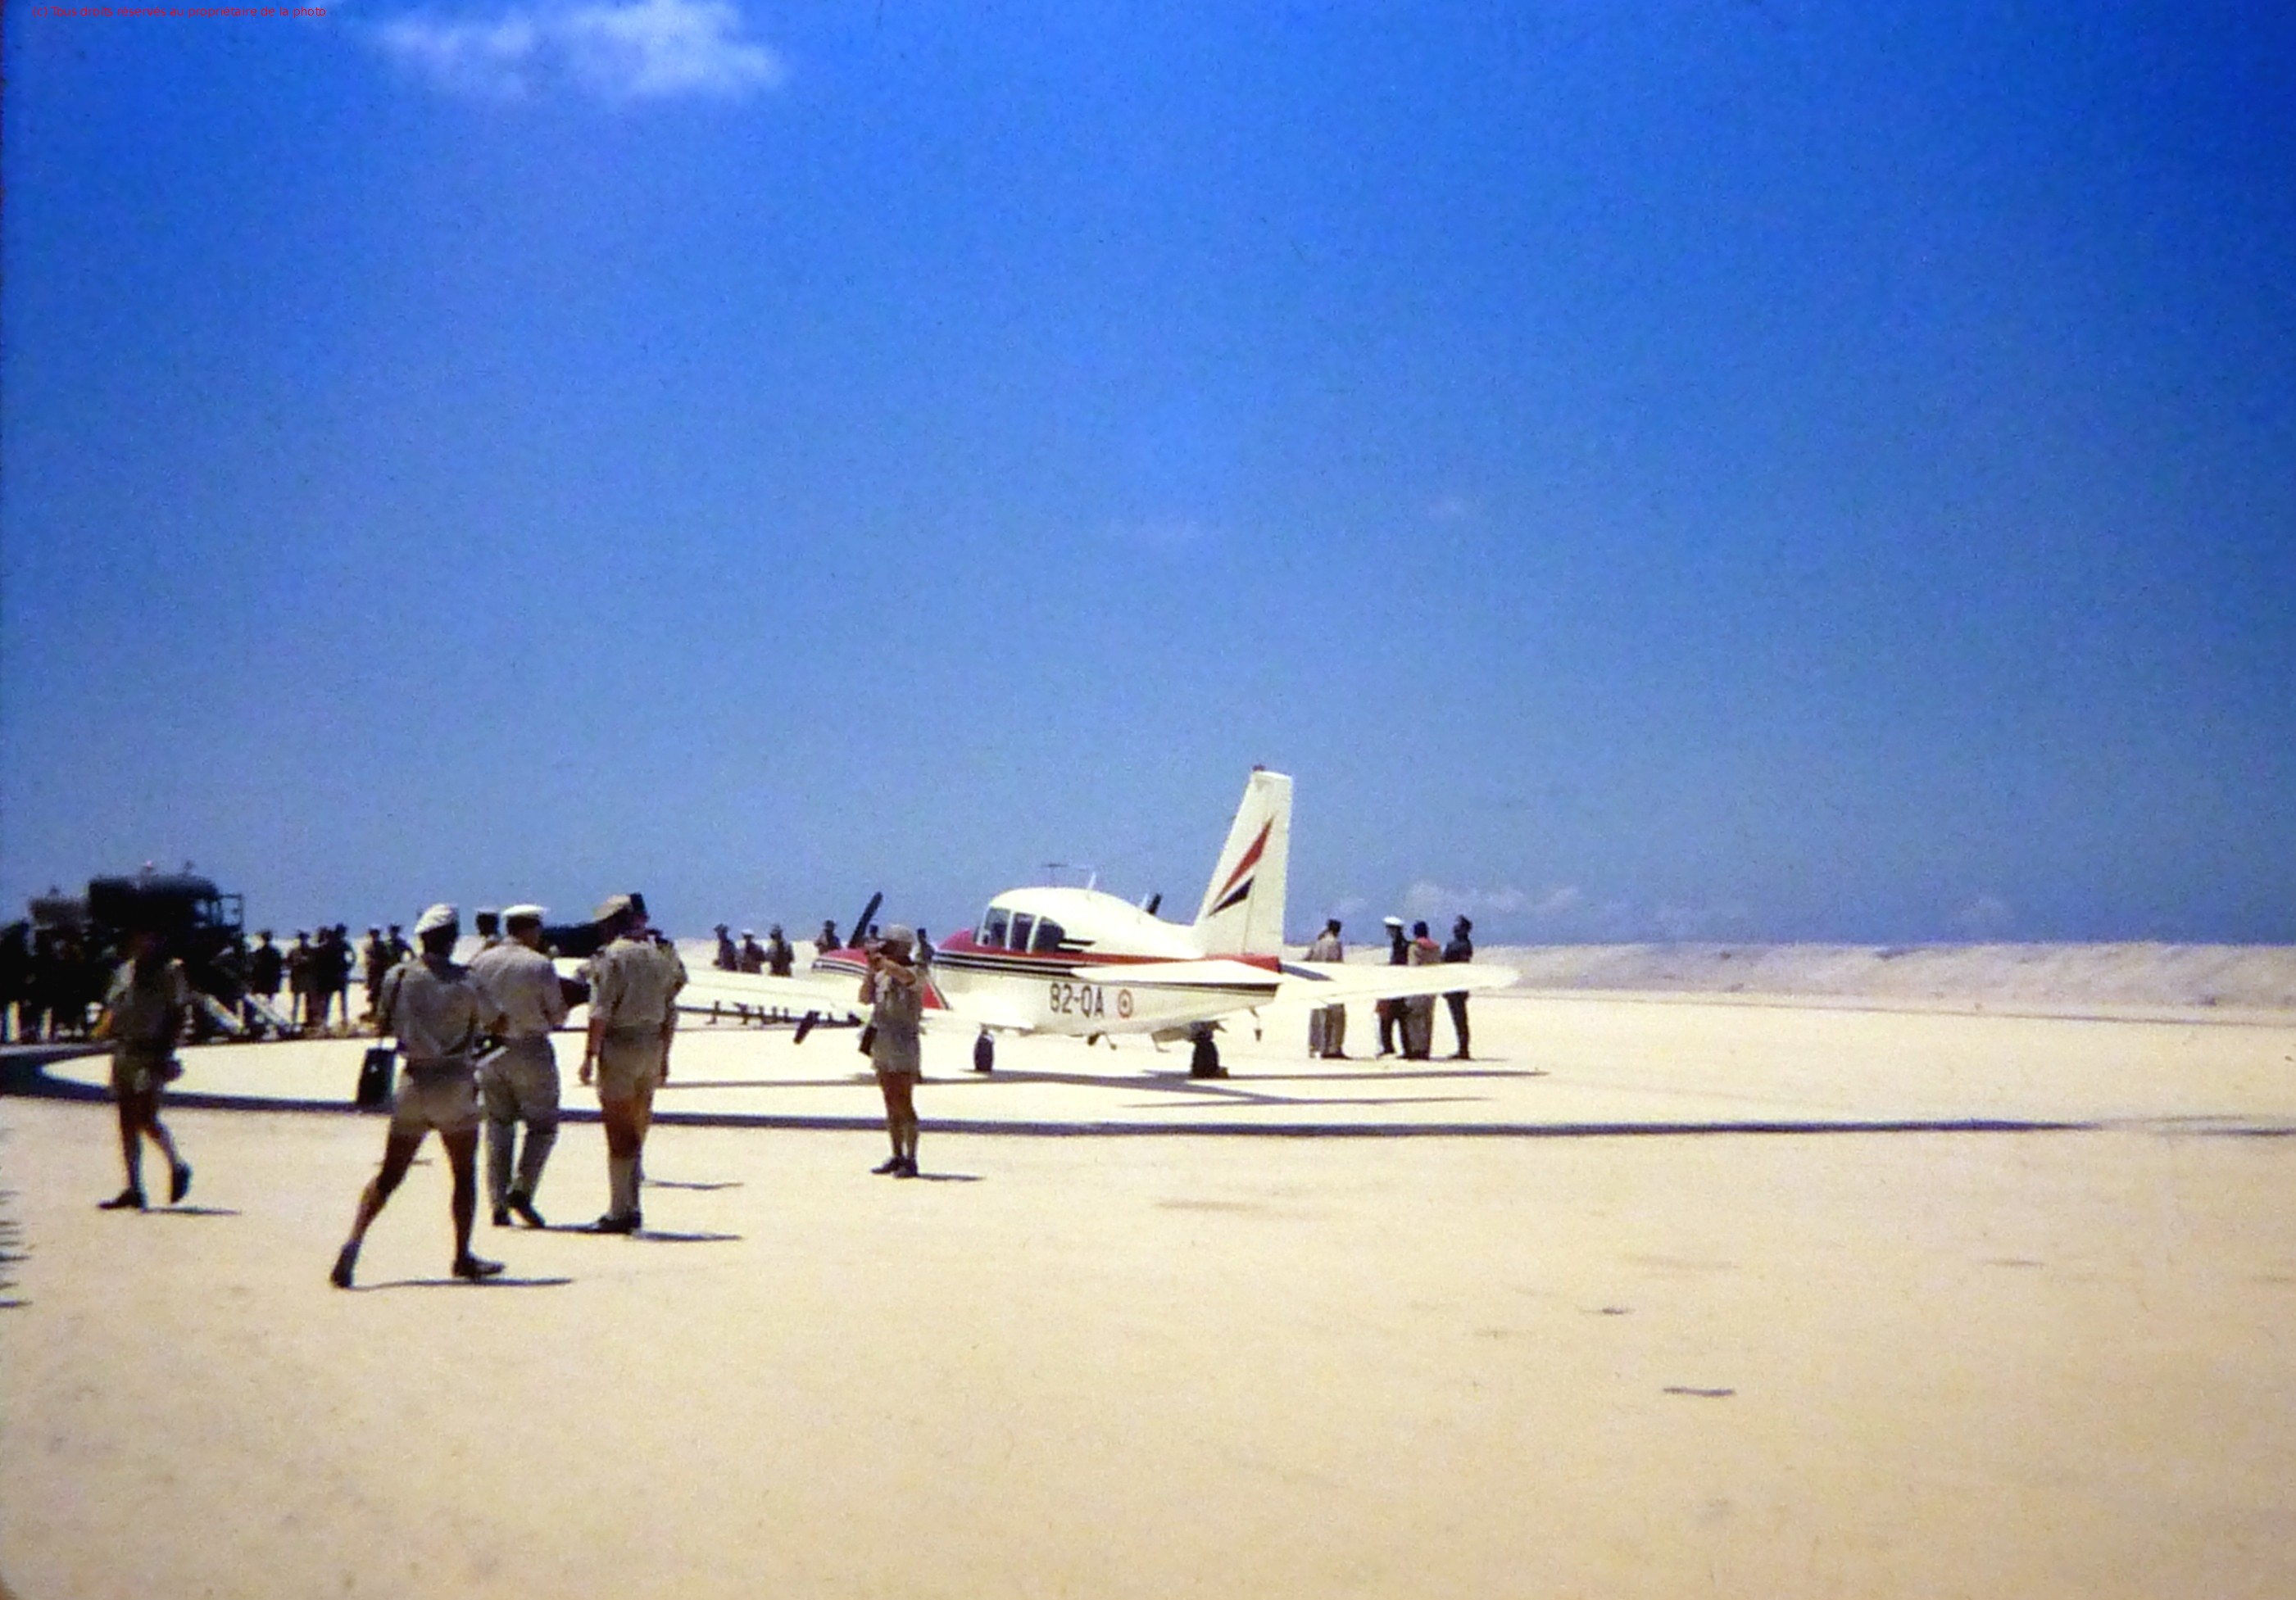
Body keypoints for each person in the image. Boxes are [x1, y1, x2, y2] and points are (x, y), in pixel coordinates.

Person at [330, 904, 503, 1288]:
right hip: (454, 1080)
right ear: (451, 938)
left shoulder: (399, 975)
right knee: (463, 1173)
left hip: (412, 1080)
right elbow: (499, 1020)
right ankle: (462, 1255)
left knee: (390, 1174)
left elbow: (383, 1019)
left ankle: (354, 1241)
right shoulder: (466, 980)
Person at [579, 894, 685, 1232]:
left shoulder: (612, 957)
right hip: (651, 1046)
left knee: (618, 1130)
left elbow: (600, 1012)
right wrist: (665, 1055)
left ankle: (619, 1211)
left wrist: (589, 1055)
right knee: (637, 1128)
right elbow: (670, 1010)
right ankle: (632, 1206)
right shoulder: (659, 955)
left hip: (621, 1045)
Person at [468, 904, 569, 1229]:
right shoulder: (539, 964)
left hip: (489, 1050)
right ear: (531, 929)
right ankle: (522, 1190)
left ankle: (497, 1202)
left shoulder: (481, 961)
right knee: (543, 1126)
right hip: (530, 1047)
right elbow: (557, 1014)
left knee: (498, 1126)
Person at [92, 922, 194, 1211]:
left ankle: (177, 1164)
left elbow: (178, 1013)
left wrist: (168, 1053)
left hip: (152, 1051)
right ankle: (133, 1187)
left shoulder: (170, 971)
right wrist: (104, 1027)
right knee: (126, 1120)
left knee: (146, 1116)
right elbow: (114, 1006)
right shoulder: (124, 971)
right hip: (125, 1050)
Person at [859, 925, 925, 1175]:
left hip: (903, 1043)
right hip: (882, 1042)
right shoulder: (881, 974)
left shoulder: (916, 970)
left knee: (903, 1101)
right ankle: (896, 1154)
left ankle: (911, 1158)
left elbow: (907, 978)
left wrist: (882, 961)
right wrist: (870, 969)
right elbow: (864, 998)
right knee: (889, 1101)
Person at [1305, 918, 1347, 1058]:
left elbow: (1306, 959)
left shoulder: (1318, 943)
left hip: (1317, 984)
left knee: (1317, 1017)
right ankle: (1332, 1048)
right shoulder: (1335, 943)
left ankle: (1315, 1047)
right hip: (1331, 984)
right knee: (1336, 1018)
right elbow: (1337, 964)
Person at [1400, 921, 1442, 1061]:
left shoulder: (1415, 947)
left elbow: (1413, 968)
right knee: (1428, 1019)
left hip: (1418, 987)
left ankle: (1416, 1048)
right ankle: (1426, 1049)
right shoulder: (1436, 948)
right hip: (1432, 987)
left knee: (1414, 1019)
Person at [1441, 916, 1475, 1060]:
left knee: (1459, 1018)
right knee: (1460, 1019)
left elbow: (1445, 962)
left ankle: (1463, 1049)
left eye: (1458, 926)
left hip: (1456, 985)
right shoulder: (1466, 945)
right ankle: (1463, 1048)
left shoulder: (1459, 945)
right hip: (1459, 984)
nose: (1455, 929)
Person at [1375, 916, 1408, 1056]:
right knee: (1397, 1019)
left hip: (1399, 986)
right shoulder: (1399, 944)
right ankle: (1393, 1047)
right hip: (1397, 985)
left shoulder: (1402, 946)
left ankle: (1390, 1047)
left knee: (1391, 1018)